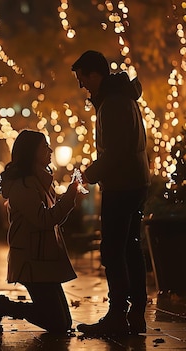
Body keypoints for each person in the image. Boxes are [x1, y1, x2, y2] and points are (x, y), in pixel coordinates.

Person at [71, 50, 151, 336]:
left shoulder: (114, 102)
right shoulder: (120, 97)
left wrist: (87, 176)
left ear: (95, 74)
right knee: (130, 247)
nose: (82, 86)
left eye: (83, 79)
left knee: (114, 250)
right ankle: (135, 314)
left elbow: (115, 151)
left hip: (122, 185)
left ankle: (119, 314)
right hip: (134, 182)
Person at [0, 129, 81, 334]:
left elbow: (52, 219)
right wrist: (69, 198)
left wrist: (68, 198)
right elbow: (43, 220)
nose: (50, 150)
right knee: (58, 323)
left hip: (44, 259)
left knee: (63, 323)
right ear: (31, 152)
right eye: (44, 146)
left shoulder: (42, 181)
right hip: (31, 260)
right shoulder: (23, 185)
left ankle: (0, 307)